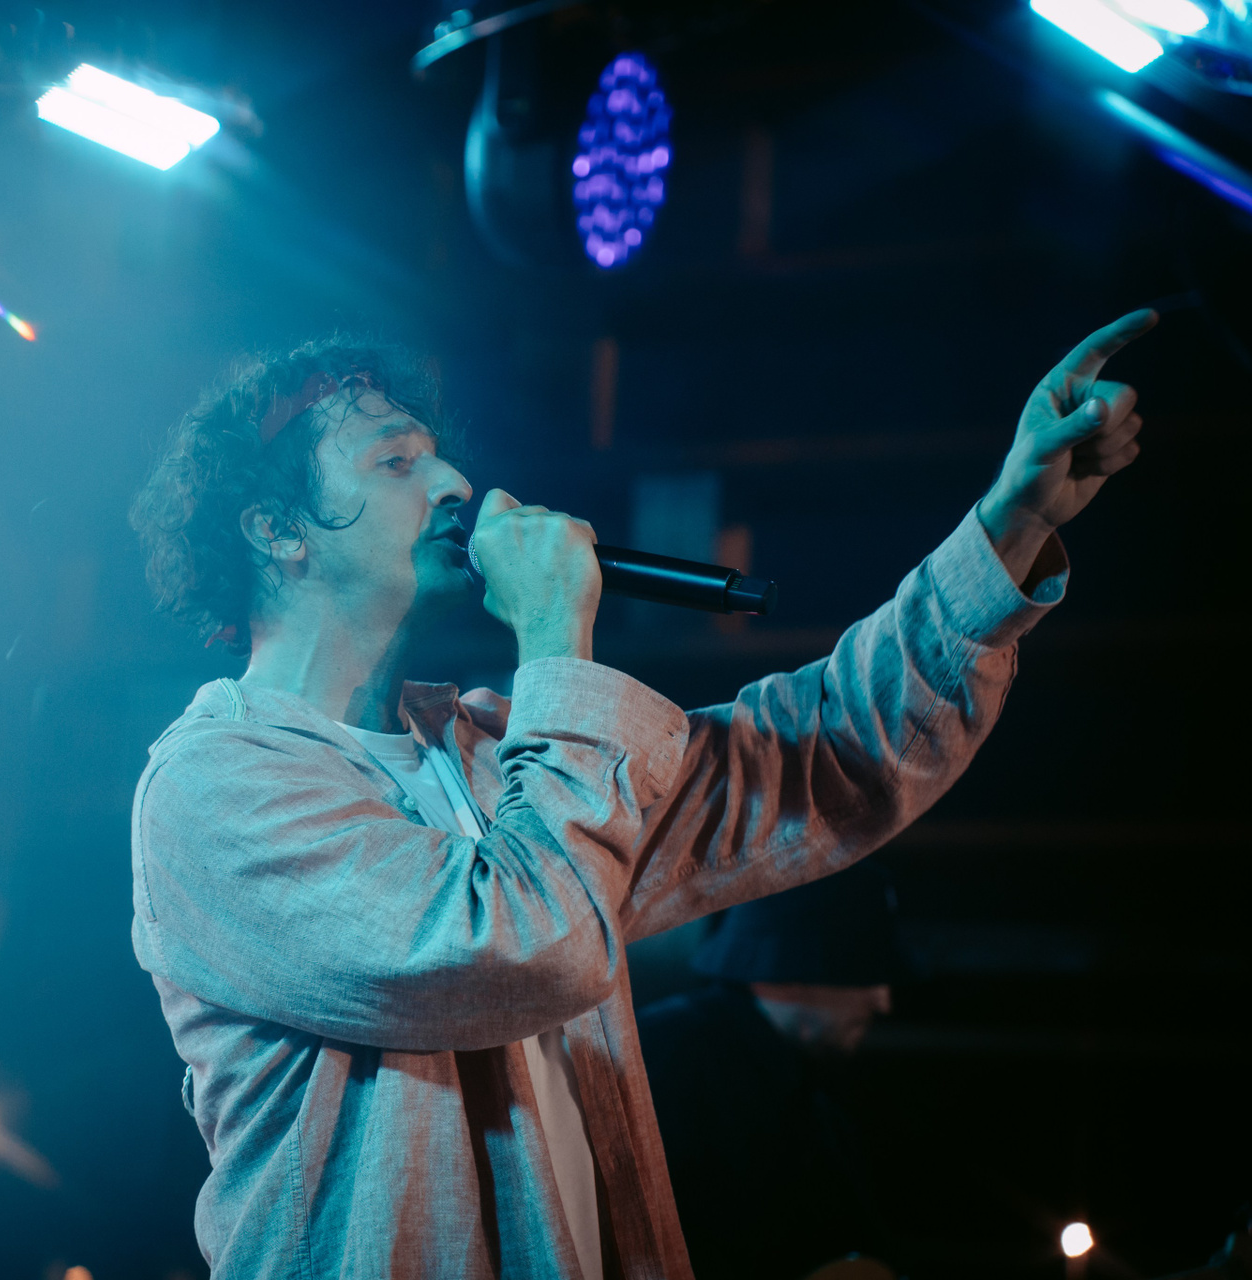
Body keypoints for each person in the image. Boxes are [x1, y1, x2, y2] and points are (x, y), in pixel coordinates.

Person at [126, 311, 1155, 1280]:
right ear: (278, 530)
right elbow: (516, 942)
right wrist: (552, 637)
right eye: (397, 461)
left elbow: (805, 760)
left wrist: (1008, 526)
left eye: (438, 453)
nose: (456, 482)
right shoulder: (215, 784)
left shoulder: (490, 753)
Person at [637, 861, 908, 1280]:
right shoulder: (670, 1061)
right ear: (787, 971)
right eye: (861, 974)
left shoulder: (807, 1083)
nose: (882, 1001)